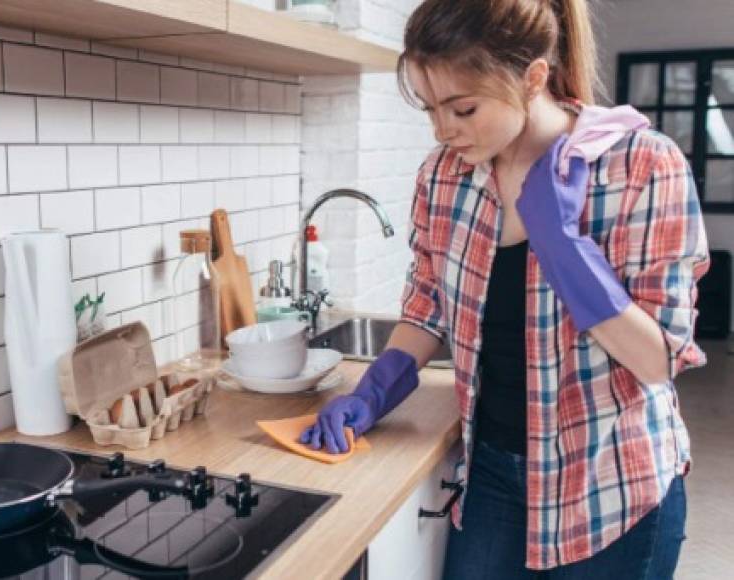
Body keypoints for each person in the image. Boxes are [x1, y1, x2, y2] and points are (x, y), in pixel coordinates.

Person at [299, 0, 711, 577]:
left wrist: (564, 246)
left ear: (533, 77)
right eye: (431, 109)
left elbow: (657, 358)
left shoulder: (641, 166)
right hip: (492, 477)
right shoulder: (445, 176)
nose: (444, 130)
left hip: (614, 484)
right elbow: (426, 307)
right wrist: (372, 394)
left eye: (462, 108)